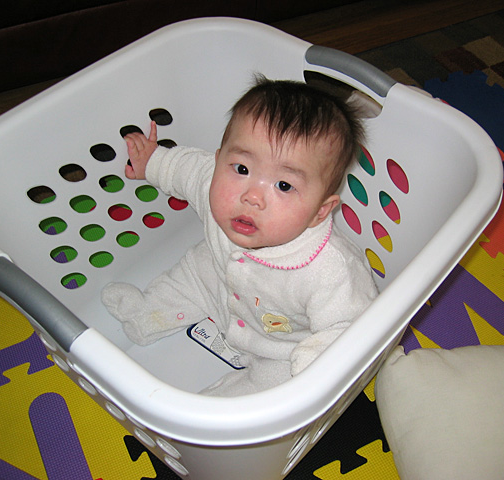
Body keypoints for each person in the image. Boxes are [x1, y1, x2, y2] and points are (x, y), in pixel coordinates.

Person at [102, 77, 378, 396]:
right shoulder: (213, 181)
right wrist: (153, 161)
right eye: (242, 169)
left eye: (284, 186)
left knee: (274, 390)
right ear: (220, 160)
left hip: (282, 345)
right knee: (194, 272)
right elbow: (187, 169)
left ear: (321, 210)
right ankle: (148, 313)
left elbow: (352, 326)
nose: (251, 196)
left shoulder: (331, 269)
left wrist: (316, 368)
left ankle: (215, 417)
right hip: (219, 284)